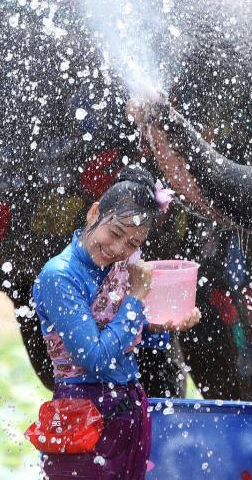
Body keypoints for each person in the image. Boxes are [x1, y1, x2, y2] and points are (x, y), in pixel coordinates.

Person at [32, 166, 200, 479]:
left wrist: (161, 326)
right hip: (80, 417)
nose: (118, 249)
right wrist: (136, 299)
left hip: (129, 411)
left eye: (133, 244)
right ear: (95, 213)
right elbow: (94, 358)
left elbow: (123, 338)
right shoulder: (60, 276)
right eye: (116, 233)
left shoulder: (121, 268)